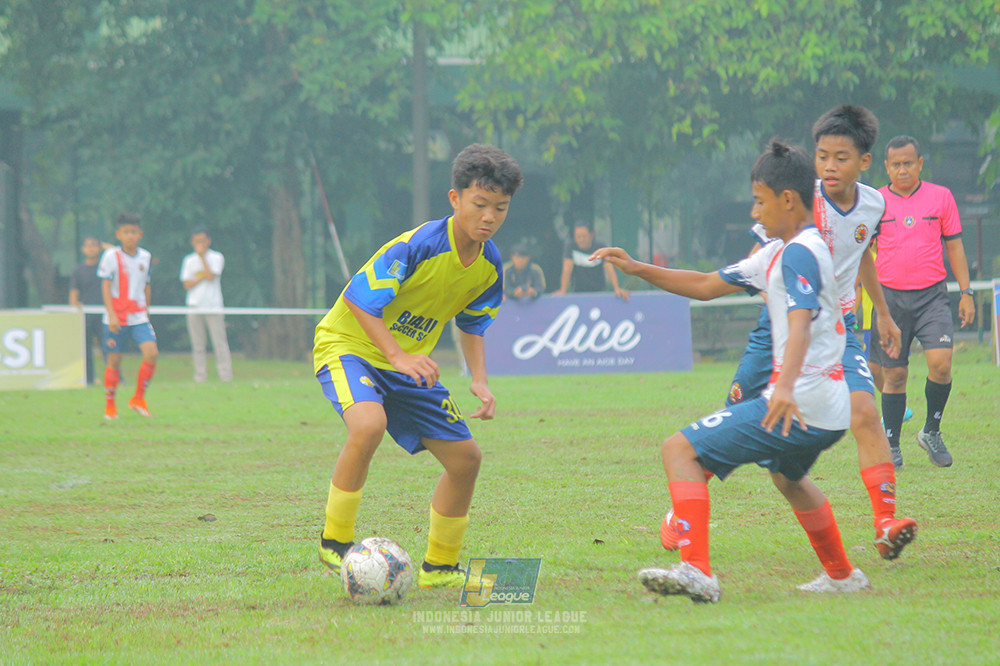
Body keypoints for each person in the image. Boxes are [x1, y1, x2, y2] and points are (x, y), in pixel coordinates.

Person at [596, 140, 868, 602]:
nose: (754, 212)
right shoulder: (780, 252)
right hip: (828, 407)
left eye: (760, 201)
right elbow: (706, 285)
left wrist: (784, 388)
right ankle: (843, 576)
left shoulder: (800, 252)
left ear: (788, 199)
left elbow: (801, 324)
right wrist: (638, 268)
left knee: (679, 450)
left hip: (801, 402)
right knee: (788, 478)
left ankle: (696, 570)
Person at [667, 106, 917, 562]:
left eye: (841, 157)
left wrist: (882, 313)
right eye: (822, 156)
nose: (829, 167)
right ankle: (682, 505)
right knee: (737, 416)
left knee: (864, 410)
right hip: (779, 327)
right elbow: (759, 258)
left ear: (864, 162)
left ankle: (885, 522)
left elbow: (861, 251)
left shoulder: (875, 204)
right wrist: (782, 307)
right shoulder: (796, 198)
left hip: (836, 328)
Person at [313, 144, 522, 589]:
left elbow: (472, 323)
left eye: (500, 208)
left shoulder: (489, 265)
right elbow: (358, 297)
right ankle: (335, 543)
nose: (489, 217)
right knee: (368, 424)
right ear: (455, 199)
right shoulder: (420, 245)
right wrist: (397, 356)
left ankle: (440, 567)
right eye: (480, 204)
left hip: (407, 366)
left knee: (466, 459)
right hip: (349, 346)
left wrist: (480, 380)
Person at [869, 135, 976, 469]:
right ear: (886, 167)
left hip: (932, 297)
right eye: (896, 164)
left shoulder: (941, 197)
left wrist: (967, 292)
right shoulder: (874, 202)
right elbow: (861, 254)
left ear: (920, 164)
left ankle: (931, 431)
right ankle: (892, 445)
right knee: (894, 374)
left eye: (908, 163)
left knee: (941, 364)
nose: (902, 170)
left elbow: (954, 246)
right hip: (890, 300)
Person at [98, 212, 158, 419]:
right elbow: (106, 286)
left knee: (151, 353)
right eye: (126, 232)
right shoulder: (111, 256)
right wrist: (111, 314)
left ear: (140, 234)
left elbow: (147, 285)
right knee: (114, 361)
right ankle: (110, 406)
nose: (130, 236)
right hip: (117, 317)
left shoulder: (145, 257)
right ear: (119, 235)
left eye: (133, 232)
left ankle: (138, 398)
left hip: (138, 316)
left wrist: (147, 310)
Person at [180, 228, 233, 383]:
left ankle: (225, 375)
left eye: (202, 241)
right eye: (197, 241)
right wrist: (200, 277)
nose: (200, 244)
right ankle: (200, 376)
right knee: (198, 344)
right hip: (194, 306)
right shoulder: (188, 260)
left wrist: (203, 258)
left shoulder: (217, 257)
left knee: (219, 343)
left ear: (208, 241)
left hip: (213, 306)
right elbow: (187, 284)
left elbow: (210, 276)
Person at [553, 222, 629, 300]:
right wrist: (563, 291)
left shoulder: (601, 248)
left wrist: (616, 288)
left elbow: (609, 268)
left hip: (599, 293)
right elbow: (567, 269)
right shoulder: (570, 247)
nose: (581, 240)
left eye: (584, 236)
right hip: (578, 294)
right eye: (578, 237)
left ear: (591, 235)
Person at [69, 235, 105, 385]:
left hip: (104, 314)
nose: (91, 249)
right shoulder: (79, 270)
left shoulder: (105, 268)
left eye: (94, 245)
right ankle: (89, 379)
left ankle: (116, 378)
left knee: (109, 346)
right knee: (86, 348)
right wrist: (74, 307)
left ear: (99, 248)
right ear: (83, 249)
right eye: (88, 246)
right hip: (85, 314)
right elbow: (74, 291)